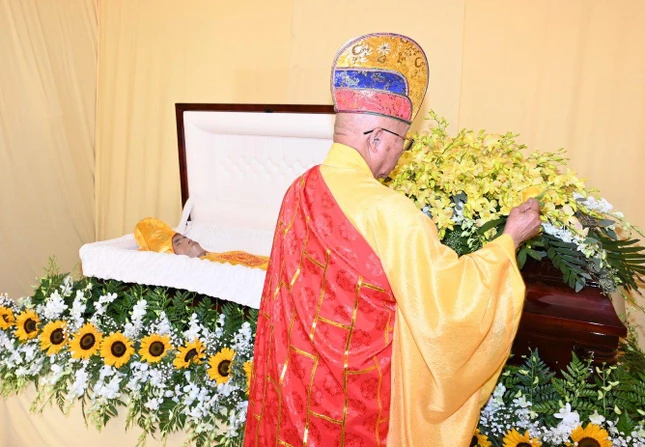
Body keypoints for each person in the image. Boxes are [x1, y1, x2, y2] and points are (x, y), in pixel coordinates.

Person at [243, 33, 541, 447]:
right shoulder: (389, 213)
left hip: (295, 393)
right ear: (377, 138)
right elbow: (452, 309)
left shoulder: (299, 189)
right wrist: (508, 240)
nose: (402, 154)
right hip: (359, 410)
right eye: (403, 142)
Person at [133, 217, 269, 270]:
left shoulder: (216, 255)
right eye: (178, 243)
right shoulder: (208, 269)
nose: (187, 240)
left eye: (184, 237)